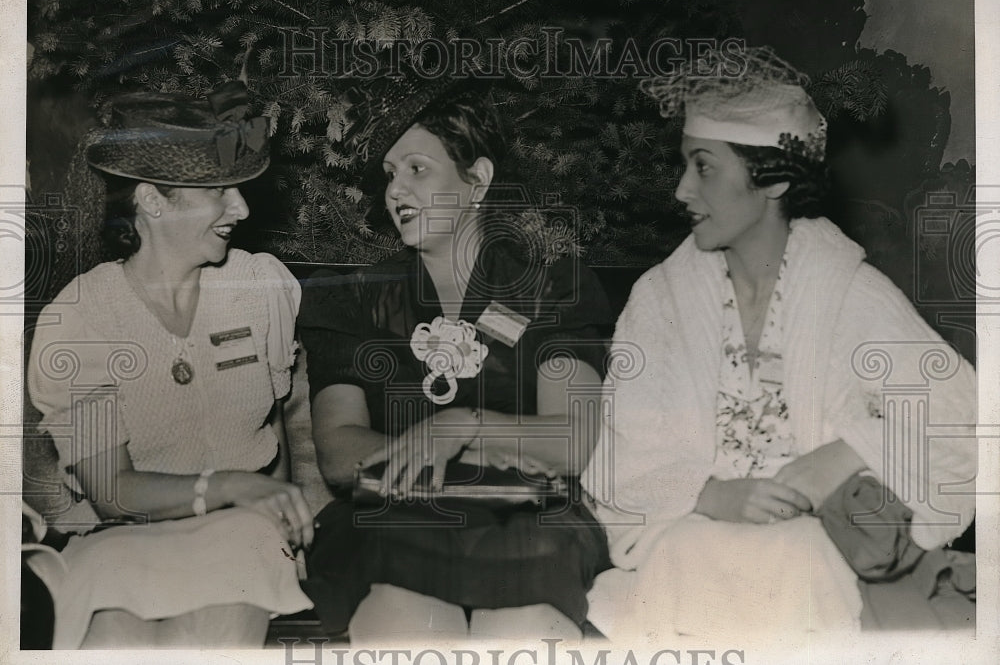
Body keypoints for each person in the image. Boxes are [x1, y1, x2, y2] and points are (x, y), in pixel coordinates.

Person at [581, 47, 977, 643]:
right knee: (690, 557)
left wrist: (845, 454)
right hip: (689, 537)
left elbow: (962, 415)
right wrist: (709, 494)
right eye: (685, 165)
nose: (682, 189)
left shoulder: (848, 292)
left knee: (795, 558)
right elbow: (621, 451)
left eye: (704, 167)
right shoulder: (659, 299)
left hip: (815, 551)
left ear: (775, 179)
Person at [298, 75, 612, 642]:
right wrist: (475, 451)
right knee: (404, 621)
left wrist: (462, 427)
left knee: (526, 623)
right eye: (390, 175)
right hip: (395, 519)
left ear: (478, 180)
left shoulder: (552, 288)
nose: (396, 190)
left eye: (417, 169)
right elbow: (341, 450)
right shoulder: (351, 297)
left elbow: (572, 441)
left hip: (526, 521)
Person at [27, 86, 314, 648]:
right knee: (116, 636)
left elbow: (275, 432)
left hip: (245, 535)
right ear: (152, 202)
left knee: (207, 632)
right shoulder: (83, 317)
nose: (242, 209)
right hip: (124, 537)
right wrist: (231, 485)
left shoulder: (262, 287)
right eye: (219, 191)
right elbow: (109, 489)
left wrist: (284, 520)